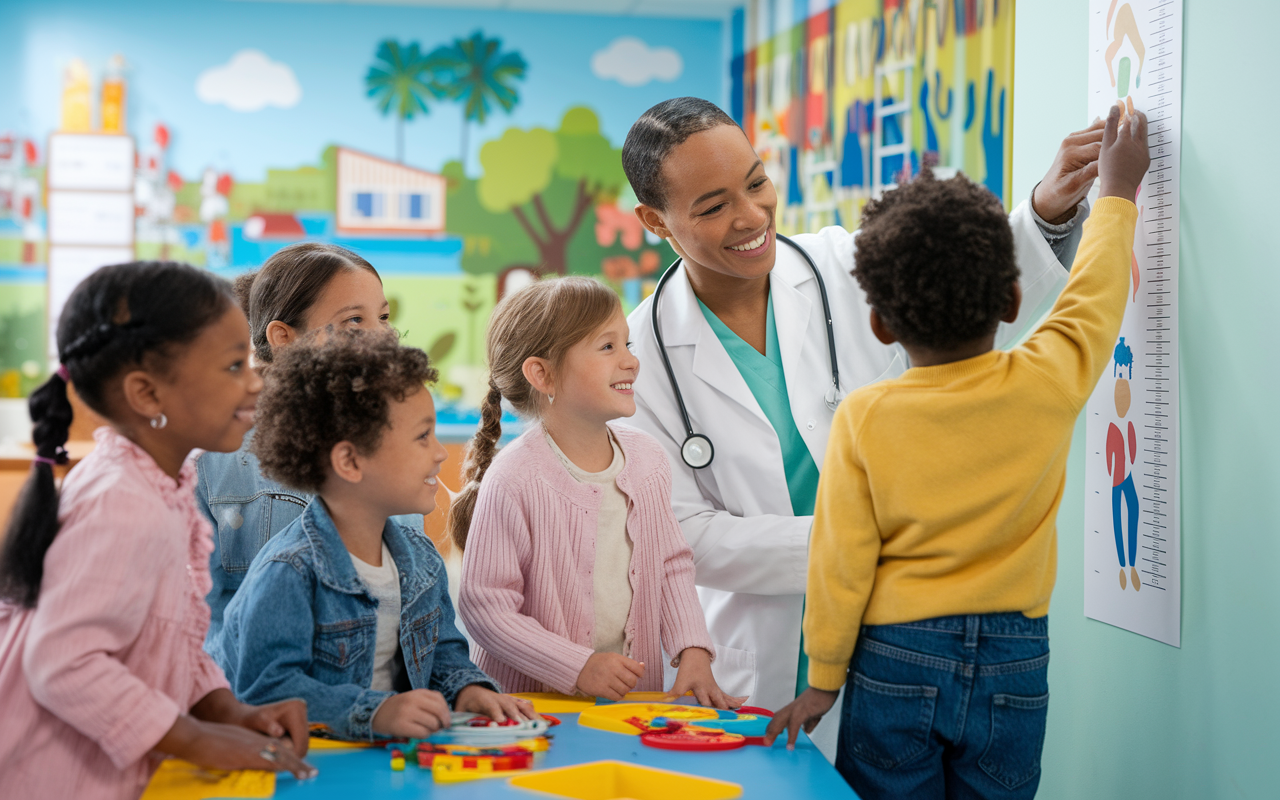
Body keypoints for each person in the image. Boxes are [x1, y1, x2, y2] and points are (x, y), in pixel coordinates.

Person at [622, 97, 1105, 753]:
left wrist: (1047, 208)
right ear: (655, 220)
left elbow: (967, 315)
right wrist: (858, 545)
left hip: (904, 642)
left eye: (757, 182)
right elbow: (683, 537)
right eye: (712, 207)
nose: (751, 216)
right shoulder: (640, 355)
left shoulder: (839, 264)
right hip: (759, 663)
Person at [763, 106, 1150, 798]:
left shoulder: (864, 418)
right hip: (1016, 659)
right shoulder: (1046, 379)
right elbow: (1094, 296)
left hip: (894, 658)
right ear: (1011, 300)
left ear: (880, 323)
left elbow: (839, 561)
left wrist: (823, 681)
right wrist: (1118, 194)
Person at [0, 261, 315, 799]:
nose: (255, 381)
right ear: (148, 396)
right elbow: (63, 664)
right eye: (234, 366)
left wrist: (225, 710)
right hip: (59, 776)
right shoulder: (123, 502)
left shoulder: (164, 484)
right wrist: (194, 738)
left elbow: (169, 637)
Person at [214, 329, 530, 740]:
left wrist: (467, 688)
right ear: (349, 461)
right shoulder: (288, 572)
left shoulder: (420, 559)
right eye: (422, 436)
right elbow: (266, 690)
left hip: (391, 762)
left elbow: (443, 654)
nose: (439, 452)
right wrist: (376, 712)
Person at [453, 278, 740, 708]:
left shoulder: (647, 460)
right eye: (608, 348)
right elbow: (485, 609)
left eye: (628, 345)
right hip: (531, 710)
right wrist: (577, 666)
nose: (630, 362)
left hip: (629, 702)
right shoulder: (515, 478)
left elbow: (671, 566)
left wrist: (693, 651)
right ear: (542, 374)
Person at [197, 242, 423, 649]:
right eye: (354, 321)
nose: (382, 336)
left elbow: (418, 597)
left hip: (382, 699)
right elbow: (200, 612)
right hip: (259, 695)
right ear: (283, 337)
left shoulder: (396, 441)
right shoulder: (216, 454)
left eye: (384, 317)